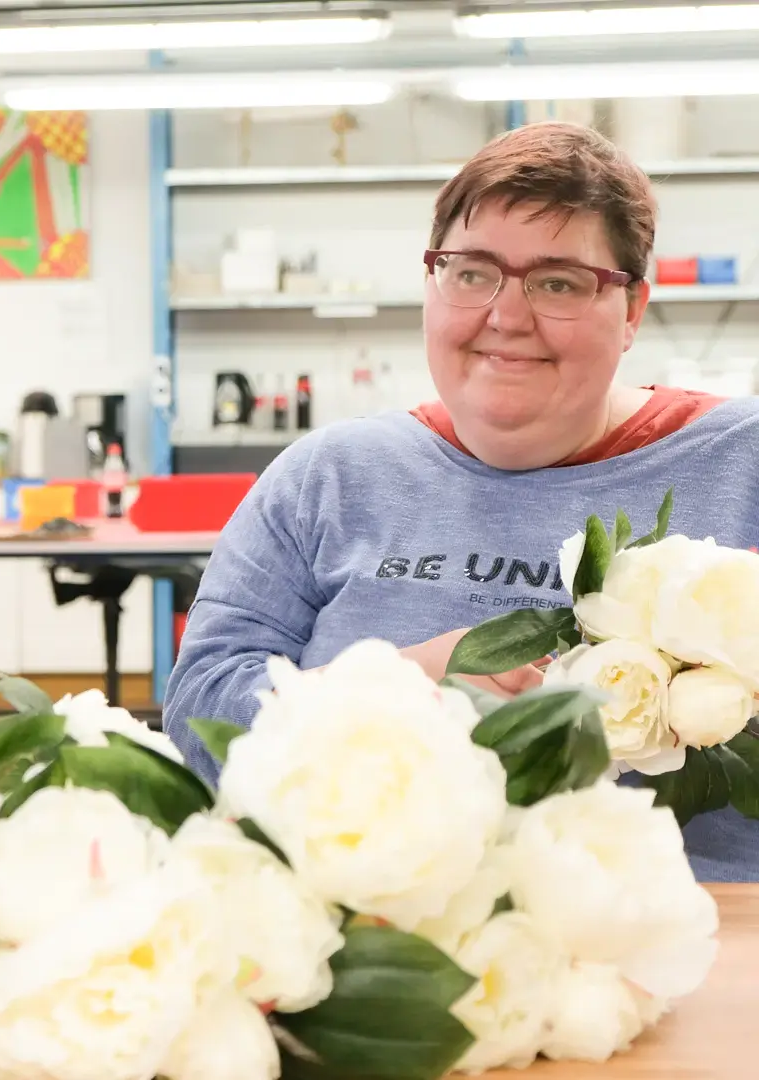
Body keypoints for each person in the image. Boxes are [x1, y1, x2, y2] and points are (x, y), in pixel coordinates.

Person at [162, 120, 759, 882]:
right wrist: (392, 692)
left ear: (633, 308)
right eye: (472, 272)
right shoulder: (330, 476)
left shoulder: (742, 461)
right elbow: (201, 713)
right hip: (373, 943)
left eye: (558, 283)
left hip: (698, 943)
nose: (506, 318)